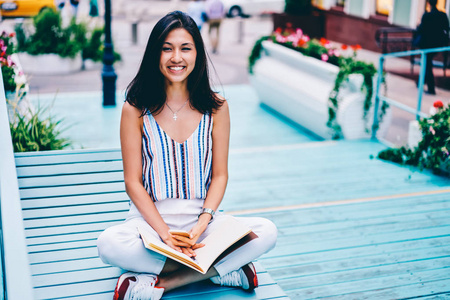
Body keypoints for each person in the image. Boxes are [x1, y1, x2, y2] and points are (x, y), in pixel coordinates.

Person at [96, 11, 277, 300]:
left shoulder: (217, 108)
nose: (176, 57)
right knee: (108, 244)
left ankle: (162, 282)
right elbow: (133, 182)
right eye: (167, 48)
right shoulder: (135, 109)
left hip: (202, 225)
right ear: (155, 54)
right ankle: (224, 271)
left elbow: (220, 175)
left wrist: (203, 223)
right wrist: (165, 235)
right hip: (149, 224)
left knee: (266, 231)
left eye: (185, 48)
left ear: (198, 54)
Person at [415, 0, 449, 95]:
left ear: (429, 3)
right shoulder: (442, 15)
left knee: (427, 64)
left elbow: (421, 29)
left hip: (427, 45)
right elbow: (446, 29)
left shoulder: (427, 15)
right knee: (427, 63)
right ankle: (420, 82)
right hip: (437, 44)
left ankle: (430, 87)